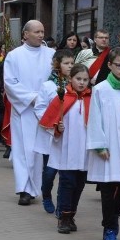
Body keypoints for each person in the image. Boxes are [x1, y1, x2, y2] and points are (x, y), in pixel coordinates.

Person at [86, 47, 120, 240]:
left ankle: (112, 218)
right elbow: (94, 119)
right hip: (108, 146)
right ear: (109, 65)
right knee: (108, 189)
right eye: (118, 65)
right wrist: (99, 145)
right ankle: (109, 229)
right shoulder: (100, 90)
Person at [3, 20, 55, 205]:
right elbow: (10, 83)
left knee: (40, 151)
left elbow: (58, 78)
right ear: (25, 34)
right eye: (36, 32)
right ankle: (24, 189)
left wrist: (48, 99)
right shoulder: (14, 56)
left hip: (46, 110)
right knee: (23, 150)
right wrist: (33, 98)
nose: (41, 35)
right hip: (24, 109)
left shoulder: (51, 54)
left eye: (42, 31)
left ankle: (38, 187)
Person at [38, 64, 91, 234]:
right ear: (70, 79)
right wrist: (57, 128)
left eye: (85, 80)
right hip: (66, 149)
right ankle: (63, 217)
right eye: (78, 79)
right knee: (67, 183)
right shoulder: (62, 98)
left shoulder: (91, 99)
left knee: (79, 184)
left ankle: (71, 214)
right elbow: (50, 122)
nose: (82, 83)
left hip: (83, 151)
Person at [33, 49, 74, 214]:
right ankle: (46, 194)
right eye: (66, 63)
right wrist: (52, 122)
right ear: (58, 64)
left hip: (68, 135)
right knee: (50, 171)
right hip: (51, 135)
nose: (70, 66)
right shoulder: (48, 85)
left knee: (65, 173)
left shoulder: (75, 84)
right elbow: (40, 107)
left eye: (72, 63)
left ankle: (61, 205)